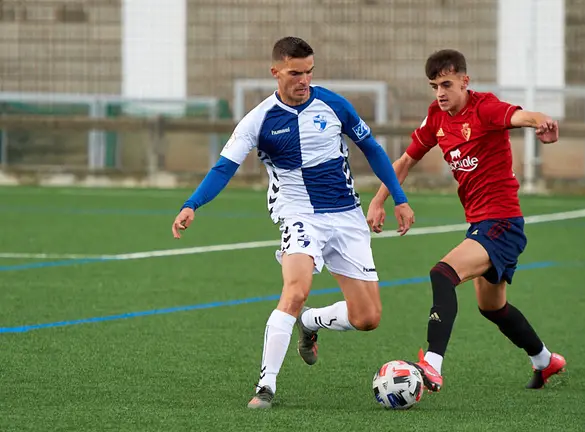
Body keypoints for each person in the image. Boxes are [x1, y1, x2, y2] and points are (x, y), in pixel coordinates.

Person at [171, 36, 415, 409]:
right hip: (298, 214)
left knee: (368, 318)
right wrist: (193, 204)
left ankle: (312, 322)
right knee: (295, 291)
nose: (304, 80)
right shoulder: (259, 119)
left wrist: (398, 198)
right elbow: (224, 167)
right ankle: (266, 386)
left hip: (346, 217)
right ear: (276, 73)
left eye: (309, 72)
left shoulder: (334, 104)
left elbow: (373, 149)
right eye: (295, 73)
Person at [366, 49, 565, 393]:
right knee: (493, 307)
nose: (440, 93)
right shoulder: (436, 118)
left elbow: (519, 116)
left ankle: (432, 364)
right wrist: (379, 199)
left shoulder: (484, 107)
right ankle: (546, 361)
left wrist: (541, 122)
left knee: (442, 273)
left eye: (446, 84)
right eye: (434, 86)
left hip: (502, 222)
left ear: (464, 81)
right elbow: (404, 161)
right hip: (481, 224)